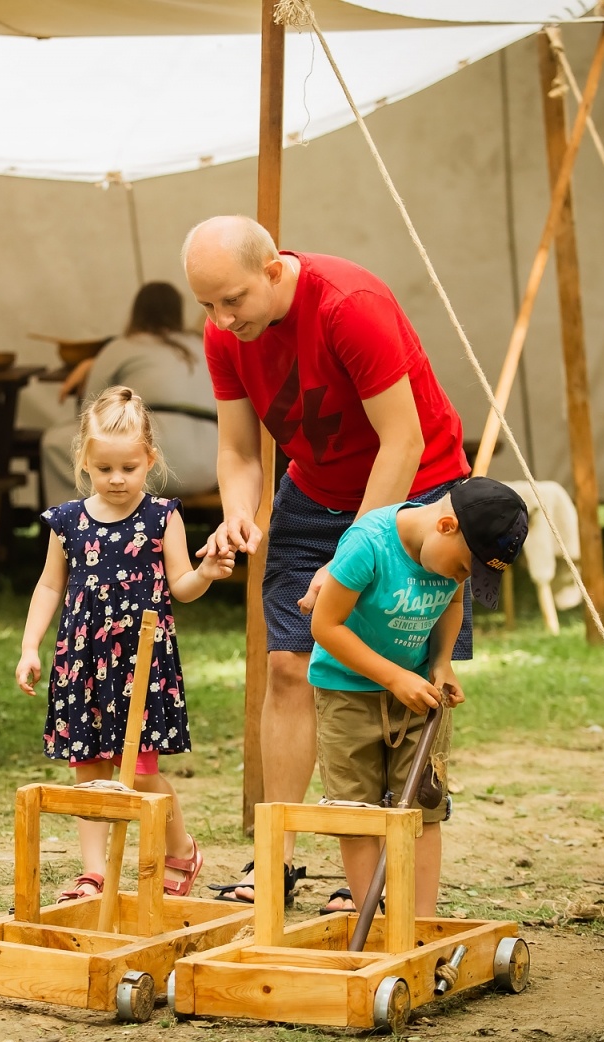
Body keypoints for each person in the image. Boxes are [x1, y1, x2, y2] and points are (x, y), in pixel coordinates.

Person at [181, 215, 471, 905]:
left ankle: (372, 881)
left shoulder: (350, 307)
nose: (221, 319)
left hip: (414, 494)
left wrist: (349, 557)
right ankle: (273, 863)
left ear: (275, 271)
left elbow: (400, 442)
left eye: (233, 301)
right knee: (287, 665)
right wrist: (238, 513)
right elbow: (240, 452)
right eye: (207, 306)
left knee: (377, 680)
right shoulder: (226, 333)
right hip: (314, 491)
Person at [15, 387, 235, 901]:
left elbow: (180, 586)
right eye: (105, 468)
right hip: (81, 662)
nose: (117, 479)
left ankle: (180, 849)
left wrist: (204, 572)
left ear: (150, 460)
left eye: (129, 468)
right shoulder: (66, 521)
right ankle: (92, 873)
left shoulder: (162, 516)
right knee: (89, 769)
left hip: (140, 664)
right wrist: (31, 647)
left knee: (139, 770)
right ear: (85, 461)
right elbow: (50, 585)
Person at [308, 478, 527, 915]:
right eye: (465, 568)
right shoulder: (367, 544)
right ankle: (373, 923)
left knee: (424, 809)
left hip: (418, 697)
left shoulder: (448, 557)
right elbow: (324, 626)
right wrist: (393, 678)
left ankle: (421, 925)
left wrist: (442, 661)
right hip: (347, 695)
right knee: (356, 814)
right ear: (446, 525)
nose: (461, 579)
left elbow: (452, 603)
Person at [41, 281, 217, 505]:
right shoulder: (203, 345)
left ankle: (75, 529)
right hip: (210, 466)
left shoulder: (121, 347)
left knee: (56, 442)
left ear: (136, 311)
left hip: (156, 464)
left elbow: (90, 413)